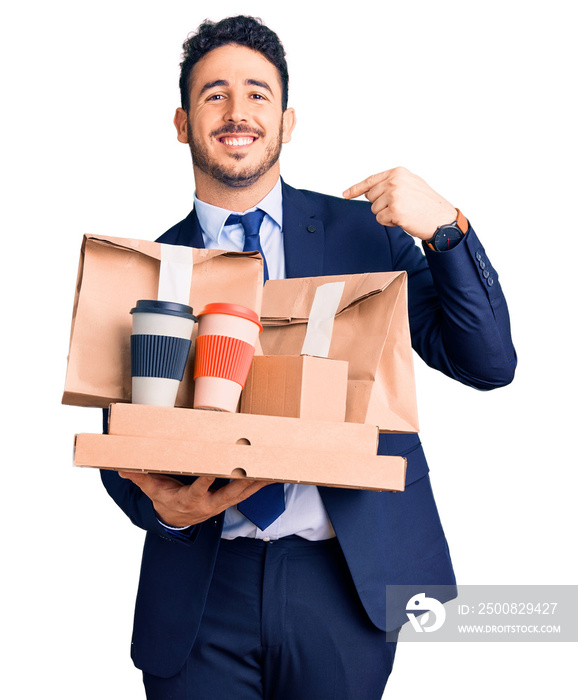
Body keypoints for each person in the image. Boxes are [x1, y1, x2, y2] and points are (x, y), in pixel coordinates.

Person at [101, 15, 516, 700]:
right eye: (215, 95)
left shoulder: (366, 237)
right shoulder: (146, 268)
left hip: (343, 581)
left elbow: (488, 363)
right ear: (182, 123)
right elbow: (125, 444)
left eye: (258, 94)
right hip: (202, 590)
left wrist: (449, 229)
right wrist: (165, 510)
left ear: (288, 121)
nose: (239, 112)